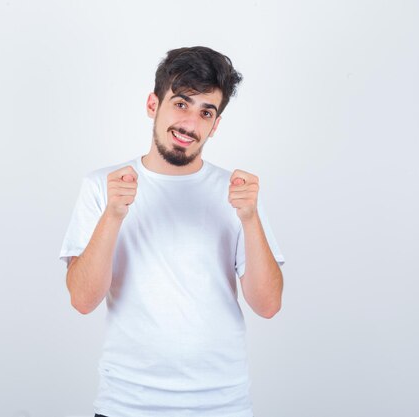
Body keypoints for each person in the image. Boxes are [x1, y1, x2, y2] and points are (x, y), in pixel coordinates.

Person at [59, 46, 284, 417]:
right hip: (127, 404)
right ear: (153, 104)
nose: (190, 124)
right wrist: (114, 215)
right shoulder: (103, 185)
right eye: (181, 104)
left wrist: (249, 218)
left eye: (205, 112)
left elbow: (268, 305)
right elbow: (82, 300)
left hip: (221, 405)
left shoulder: (236, 192)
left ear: (215, 125)